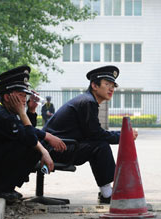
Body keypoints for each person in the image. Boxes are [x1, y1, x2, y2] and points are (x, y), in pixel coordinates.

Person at [0, 65, 66, 203]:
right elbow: (28, 136)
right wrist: (44, 150)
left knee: (34, 143)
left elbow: (25, 130)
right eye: (21, 95)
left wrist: (30, 111)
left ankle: (3, 187)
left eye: (25, 95)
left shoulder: (5, 110)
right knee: (31, 145)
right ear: (7, 96)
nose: (24, 100)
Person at [43, 65, 138, 204]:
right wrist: (123, 136)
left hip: (60, 146)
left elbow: (92, 133)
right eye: (107, 84)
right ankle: (107, 194)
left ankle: (107, 192)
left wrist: (121, 135)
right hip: (56, 148)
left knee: (96, 145)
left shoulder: (87, 100)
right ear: (94, 85)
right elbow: (96, 134)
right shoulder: (88, 102)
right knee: (99, 145)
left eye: (113, 85)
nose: (111, 89)